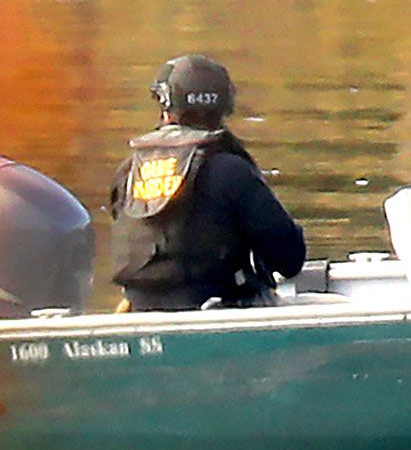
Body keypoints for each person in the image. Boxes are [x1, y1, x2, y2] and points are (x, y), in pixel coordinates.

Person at [107, 54, 307, 311]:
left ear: (166, 109)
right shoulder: (232, 171)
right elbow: (290, 259)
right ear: (224, 106)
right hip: (217, 311)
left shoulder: (128, 171)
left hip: (138, 311)